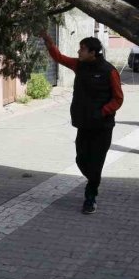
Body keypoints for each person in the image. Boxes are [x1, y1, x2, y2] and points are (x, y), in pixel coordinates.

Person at [42, 33, 123, 215]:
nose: (79, 51)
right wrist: (49, 43)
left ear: (93, 52)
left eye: (82, 49)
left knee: (96, 163)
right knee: (81, 159)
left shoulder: (109, 71)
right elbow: (59, 58)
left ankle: (90, 197)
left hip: (102, 127)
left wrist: (102, 112)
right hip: (84, 124)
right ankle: (93, 180)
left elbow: (118, 99)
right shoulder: (79, 65)